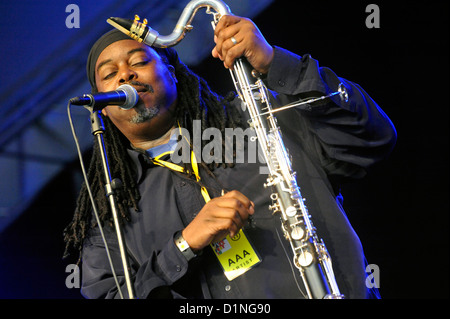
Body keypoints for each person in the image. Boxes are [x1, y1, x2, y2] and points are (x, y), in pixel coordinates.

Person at [63, 15, 396, 299]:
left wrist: (275, 63)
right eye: (109, 74)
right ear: (103, 110)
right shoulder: (112, 205)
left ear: (173, 73)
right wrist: (183, 246)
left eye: (139, 62)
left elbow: (373, 136)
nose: (125, 75)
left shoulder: (258, 117)